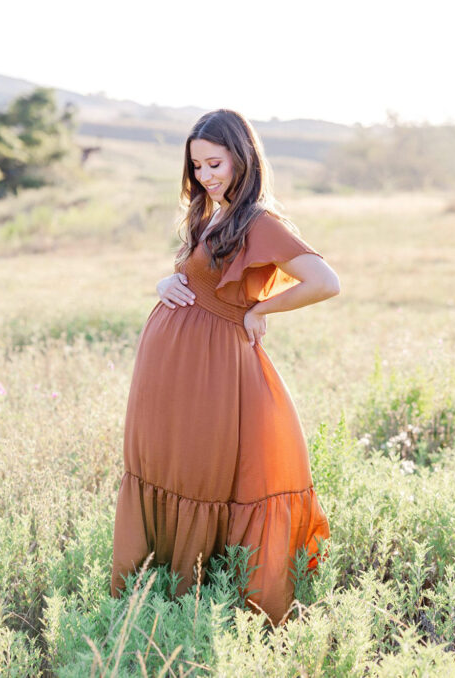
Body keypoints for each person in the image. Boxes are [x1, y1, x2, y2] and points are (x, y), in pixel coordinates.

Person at [111, 109, 341, 624]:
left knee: (202, 474)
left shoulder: (259, 221)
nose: (206, 176)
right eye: (196, 166)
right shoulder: (210, 212)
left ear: (242, 157)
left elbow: (326, 281)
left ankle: (200, 595)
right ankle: (159, 582)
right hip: (167, 370)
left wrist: (261, 309)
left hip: (212, 369)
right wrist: (163, 284)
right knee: (164, 466)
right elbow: (195, 276)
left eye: (214, 163)